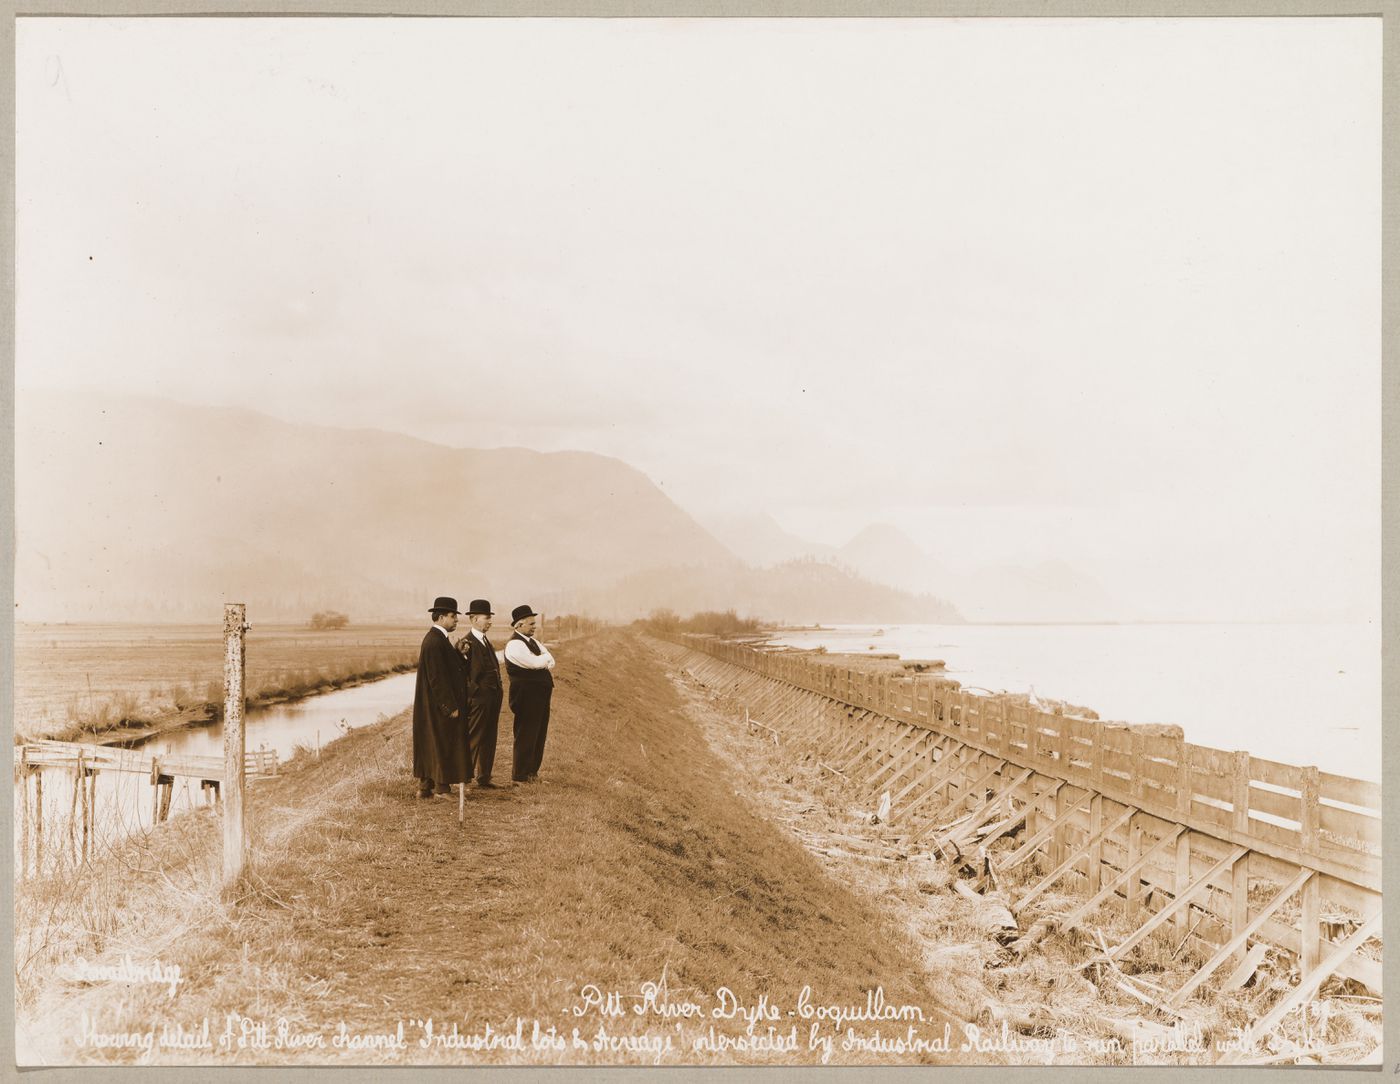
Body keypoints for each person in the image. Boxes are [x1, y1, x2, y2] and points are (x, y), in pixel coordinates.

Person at [411, 596, 471, 799]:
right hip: (438, 705)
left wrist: (458, 653)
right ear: (441, 617)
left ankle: (425, 786)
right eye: (453, 616)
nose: (456, 620)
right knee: (442, 742)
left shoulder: (437, 640)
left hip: (431, 704)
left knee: (430, 741)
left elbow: (447, 670)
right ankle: (442, 789)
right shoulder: (435, 642)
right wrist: (449, 706)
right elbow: (438, 679)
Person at [505, 604, 556, 783]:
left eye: (534, 623)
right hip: (526, 697)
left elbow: (551, 659)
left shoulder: (532, 642)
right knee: (526, 734)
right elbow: (536, 663)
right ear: (518, 625)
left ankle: (532, 773)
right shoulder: (514, 644)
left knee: (538, 734)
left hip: (539, 696)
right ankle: (520, 776)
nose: (534, 626)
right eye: (531, 624)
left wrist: (543, 660)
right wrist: (544, 660)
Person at [456, 598, 503, 788]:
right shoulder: (466, 643)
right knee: (474, 737)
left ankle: (484, 777)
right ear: (474, 619)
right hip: (479, 699)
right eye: (486, 618)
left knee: (490, 737)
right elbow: (461, 674)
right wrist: (474, 693)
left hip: (493, 698)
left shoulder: (485, 641)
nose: (490, 621)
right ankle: (465, 779)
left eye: (490, 618)